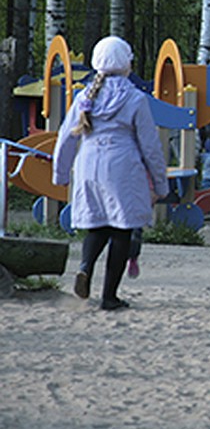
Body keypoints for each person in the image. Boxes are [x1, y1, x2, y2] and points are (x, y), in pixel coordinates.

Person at [52, 36, 169, 311]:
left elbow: (66, 138)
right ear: (126, 63)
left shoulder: (84, 97)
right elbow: (150, 146)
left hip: (88, 164)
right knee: (121, 228)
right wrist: (161, 185)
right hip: (122, 166)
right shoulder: (135, 98)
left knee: (97, 224)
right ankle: (109, 297)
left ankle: (84, 266)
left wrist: (60, 175)